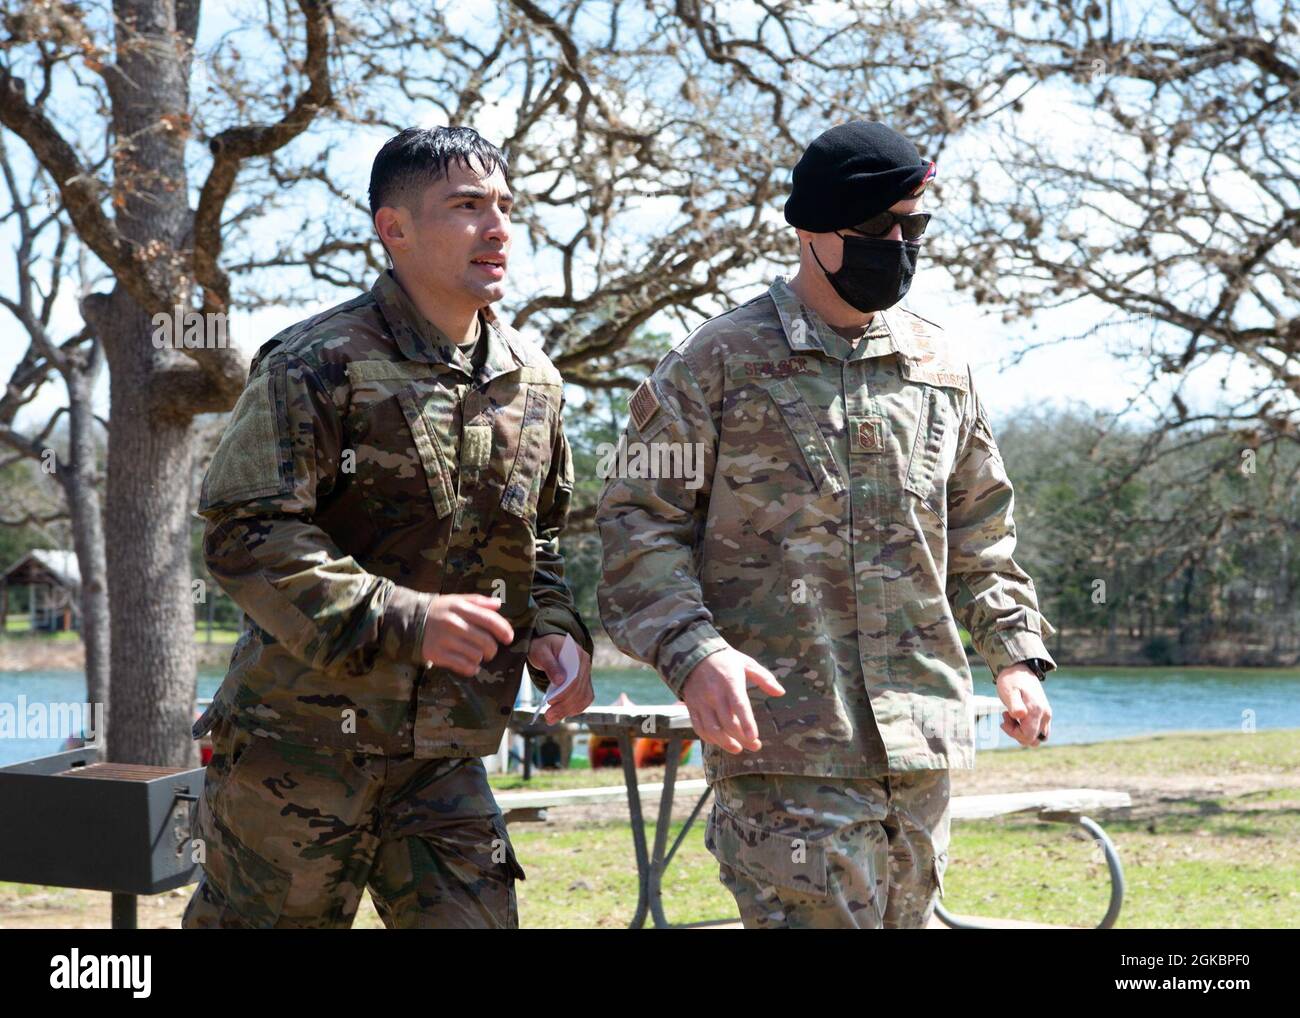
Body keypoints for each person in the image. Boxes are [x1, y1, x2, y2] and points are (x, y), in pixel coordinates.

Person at [595, 120, 1057, 929]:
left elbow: (982, 536)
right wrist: (694, 652)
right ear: (810, 230)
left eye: (917, 226)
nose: (901, 245)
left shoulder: (942, 370)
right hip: (784, 752)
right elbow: (639, 529)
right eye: (878, 228)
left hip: (921, 751)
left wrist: (1015, 656)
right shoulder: (718, 362)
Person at [183, 126, 594, 929]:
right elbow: (244, 534)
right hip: (296, 752)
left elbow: (535, 546)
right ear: (393, 228)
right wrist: (407, 619)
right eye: (467, 206)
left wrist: (551, 630)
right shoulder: (316, 361)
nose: (499, 227)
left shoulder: (533, 383)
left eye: (506, 206)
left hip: (444, 757)